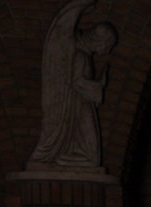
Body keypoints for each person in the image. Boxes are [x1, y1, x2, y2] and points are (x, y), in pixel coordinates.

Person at [29, 0, 117, 169]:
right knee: (92, 155)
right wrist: (97, 88)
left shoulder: (82, 54)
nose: (108, 51)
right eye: (108, 46)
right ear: (100, 42)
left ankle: (70, 157)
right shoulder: (80, 56)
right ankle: (66, 157)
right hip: (76, 107)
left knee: (92, 152)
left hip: (81, 106)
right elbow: (77, 83)